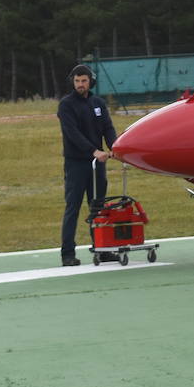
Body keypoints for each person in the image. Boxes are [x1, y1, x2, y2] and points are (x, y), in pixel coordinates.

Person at [58, 64, 117, 266]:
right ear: (72, 82)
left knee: (98, 207)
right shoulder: (66, 105)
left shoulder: (98, 103)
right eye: (77, 81)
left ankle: (102, 249)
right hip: (76, 164)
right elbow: (72, 134)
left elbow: (107, 128)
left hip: (97, 165)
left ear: (90, 81)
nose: (80, 85)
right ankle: (67, 254)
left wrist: (115, 147)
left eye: (83, 81)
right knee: (73, 208)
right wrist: (94, 151)